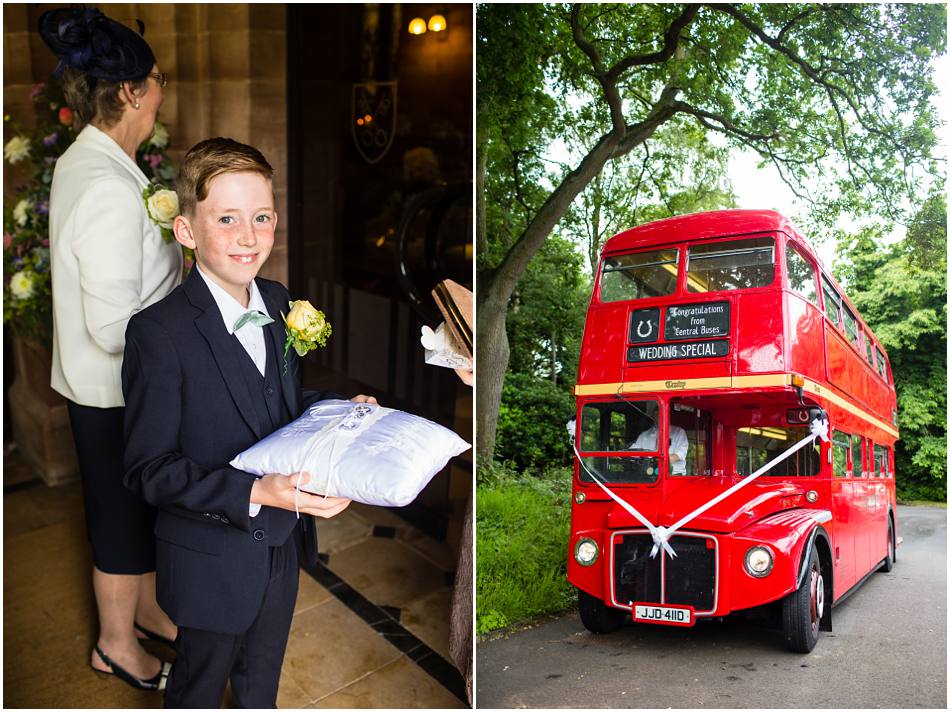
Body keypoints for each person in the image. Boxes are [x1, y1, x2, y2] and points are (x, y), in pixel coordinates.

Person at [122, 137, 375, 708]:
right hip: (210, 555)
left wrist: (340, 409)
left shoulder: (279, 300)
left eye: (261, 217)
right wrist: (257, 490)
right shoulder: (158, 334)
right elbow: (148, 468)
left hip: (282, 546)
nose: (248, 236)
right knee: (200, 685)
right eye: (227, 219)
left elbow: (278, 402)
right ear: (186, 231)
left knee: (261, 682)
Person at [41, 6, 180, 690]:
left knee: (140, 512)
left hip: (116, 387)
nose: (160, 94)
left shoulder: (100, 161)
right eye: (155, 82)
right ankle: (116, 644)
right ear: (129, 92)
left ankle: (149, 610)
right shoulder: (102, 183)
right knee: (122, 522)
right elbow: (111, 325)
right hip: (114, 390)